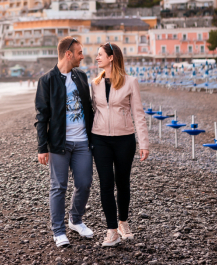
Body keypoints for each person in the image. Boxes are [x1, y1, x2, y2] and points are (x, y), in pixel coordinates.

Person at [35, 36, 94, 247]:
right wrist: (42, 148)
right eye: (79, 52)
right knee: (58, 186)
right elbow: (41, 117)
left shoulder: (81, 77)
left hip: (82, 142)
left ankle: (75, 220)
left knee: (85, 184)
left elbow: (89, 108)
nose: (82, 56)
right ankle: (59, 231)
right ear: (68, 54)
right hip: (59, 144)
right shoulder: (47, 81)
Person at [90, 43, 149, 247]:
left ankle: (123, 222)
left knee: (122, 182)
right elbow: (91, 113)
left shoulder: (130, 82)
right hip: (100, 139)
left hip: (125, 139)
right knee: (105, 184)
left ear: (111, 57)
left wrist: (144, 143)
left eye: (100, 55)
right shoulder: (94, 84)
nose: (96, 58)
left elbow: (138, 113)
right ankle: (111, 230)